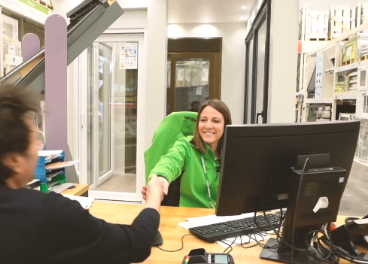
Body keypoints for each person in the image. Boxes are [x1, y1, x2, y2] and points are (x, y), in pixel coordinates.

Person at [0, 88, 164, 264]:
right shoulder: (47, 213)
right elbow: (136, 243)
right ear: (13, 160)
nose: (39, 146)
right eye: (33, 140)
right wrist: (154, 199)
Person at [142, 99, 232, 208]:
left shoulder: (233, 153)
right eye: (203, 120)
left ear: (225, 125)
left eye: (216, 121)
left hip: (222, 218)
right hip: (188, 217)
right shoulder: (186, 146)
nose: (208, 126)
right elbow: (170, 162)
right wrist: (160, 179)